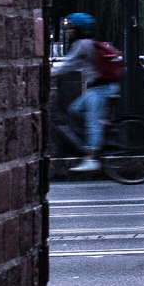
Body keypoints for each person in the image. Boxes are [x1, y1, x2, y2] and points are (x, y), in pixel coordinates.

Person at [52, 12, 117, 171]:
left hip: (100, 88)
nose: (68, 32)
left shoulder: (82, 44)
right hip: (100, 87)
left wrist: (50, 73)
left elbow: (68, 64)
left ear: (79, 29)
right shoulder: (88, 44)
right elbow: (73, 64)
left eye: (71, 28)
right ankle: (102, 126)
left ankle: (91, 159)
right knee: (75, 109)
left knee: (92, 124)